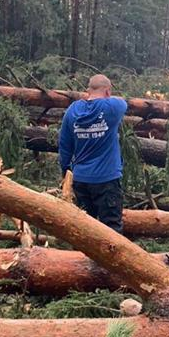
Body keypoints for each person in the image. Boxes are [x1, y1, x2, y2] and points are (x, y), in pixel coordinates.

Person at [58, 73, 129, 231]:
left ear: (88, 91)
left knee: (84, 230)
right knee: (111, 230)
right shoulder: (112, 107)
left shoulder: (72, 110)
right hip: (107, 180)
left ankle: (82, 256)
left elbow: (64, 145)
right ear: (108, 92)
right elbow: (123, 103)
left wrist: (65, 170)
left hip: (81, 180)